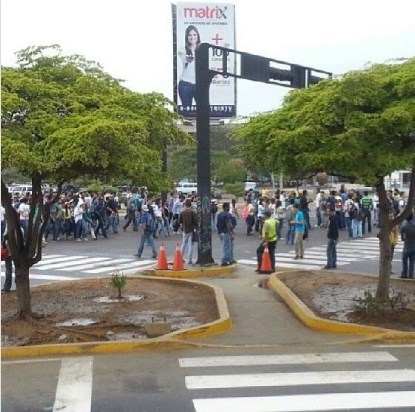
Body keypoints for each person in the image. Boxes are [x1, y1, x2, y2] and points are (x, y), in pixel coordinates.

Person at [178, 25, 201, 109]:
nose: (192, 37)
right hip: (185, 85)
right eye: (190, 35)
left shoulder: (202, 50)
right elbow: (184, 57)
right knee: (186, 112)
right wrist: (187, 59)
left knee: (203, 110)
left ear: (198, 36)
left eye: (194, 35)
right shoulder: (183, 49)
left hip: (199, 85)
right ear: (187, 37)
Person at [216, 202, 235, 266]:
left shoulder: (219, 214)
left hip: (220, 232)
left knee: (226, 246)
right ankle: (225, 260)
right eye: (229, 206)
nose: (229, 208)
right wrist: (231, 233)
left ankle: (230, 259)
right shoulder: (228, 215)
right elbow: (228, 225)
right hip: (226, 232)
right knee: (227, 247)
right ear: (227, 207)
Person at [179, 199, 198, 265]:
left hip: (184, 230)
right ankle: (189, 260)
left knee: (183, 244)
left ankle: (180, 258)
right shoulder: (193, 212)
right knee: (190, 246)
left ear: (185, 205)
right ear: (190, 205)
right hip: (191, 230)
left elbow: (180, 222)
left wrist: (182, 228)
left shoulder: (182, 212)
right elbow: (196, 222)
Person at [400, 214, 415, 279]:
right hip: (413, 246)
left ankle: (404, 274)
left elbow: (402, 238)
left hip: (406, 246)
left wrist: (404, 238)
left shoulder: (404, 227)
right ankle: (411, 274)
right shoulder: (414, 226)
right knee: (412, 261)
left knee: (404, 260)